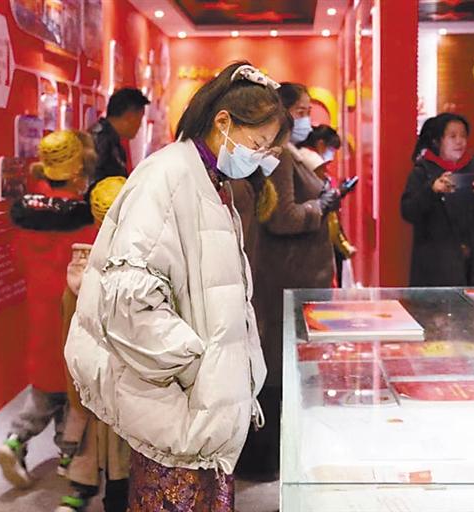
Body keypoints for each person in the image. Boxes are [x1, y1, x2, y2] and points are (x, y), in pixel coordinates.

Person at [64, 61, 286, 511]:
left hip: (200, 407)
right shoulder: (167, 177)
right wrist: (194, 365)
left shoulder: (209, 179)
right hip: (179, 404)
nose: (260, 156)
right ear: (223, 122)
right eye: (257, 144)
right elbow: (130, 300)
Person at [240, 83, 346, 480]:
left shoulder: (290, 153)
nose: (307, 119)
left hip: (292, 275)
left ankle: (276, 454)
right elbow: (280, 217)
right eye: (301, 112)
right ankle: (265, 459)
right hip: (284, 276)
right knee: (276, 368)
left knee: (284, 366)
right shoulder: (280, 155)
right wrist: (320, 207)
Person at [0, 130, 97, 489]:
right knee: (73, 390)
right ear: (77, 169)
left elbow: (17, 261)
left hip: (38, 310)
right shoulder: (84, 218)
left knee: (43, 387)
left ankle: (15, 440)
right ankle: (69, 454)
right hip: (73, 313)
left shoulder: (26, 215)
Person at [56, 176, 130, 512]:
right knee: (120, 444)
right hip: (121, 377)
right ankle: (115, 493)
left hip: (86, 371)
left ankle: (80, 487)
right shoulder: (130, 261)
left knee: (88, 428)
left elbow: (67, 328)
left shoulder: (79, 266)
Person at [400, 113, 474, 286]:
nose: (459, 141)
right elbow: (408, 211)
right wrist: (432, 190)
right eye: (452, 136)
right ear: (437, 141)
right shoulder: (423, 171)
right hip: (437, 266)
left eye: (463, 136)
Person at [297, 124, 357, 287]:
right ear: (321, 143)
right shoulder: (310, 160)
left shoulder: (305, 157)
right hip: (316, 234)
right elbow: (321, 195)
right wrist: (338, 193)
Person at [89, 87, 150, 183]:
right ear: (129, 117)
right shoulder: (100, 140)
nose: (140, 126)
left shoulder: (109, 140)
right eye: (139, 119)